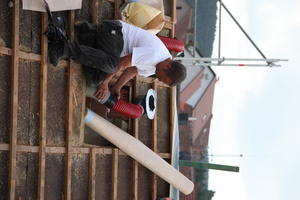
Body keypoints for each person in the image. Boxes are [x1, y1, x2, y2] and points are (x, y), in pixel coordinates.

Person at [48, 20, 187, 100]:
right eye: (163, 78)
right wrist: (106, 82)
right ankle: (64, 48)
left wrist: (116, 87)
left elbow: (133, 69)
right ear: (167, 67)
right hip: (113, 31)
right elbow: (122, 63)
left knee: (95, 80)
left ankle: (87, 33)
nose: (159, 79)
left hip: (112, 49)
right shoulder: (155, 54)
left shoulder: (156, 68)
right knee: (112, 65)